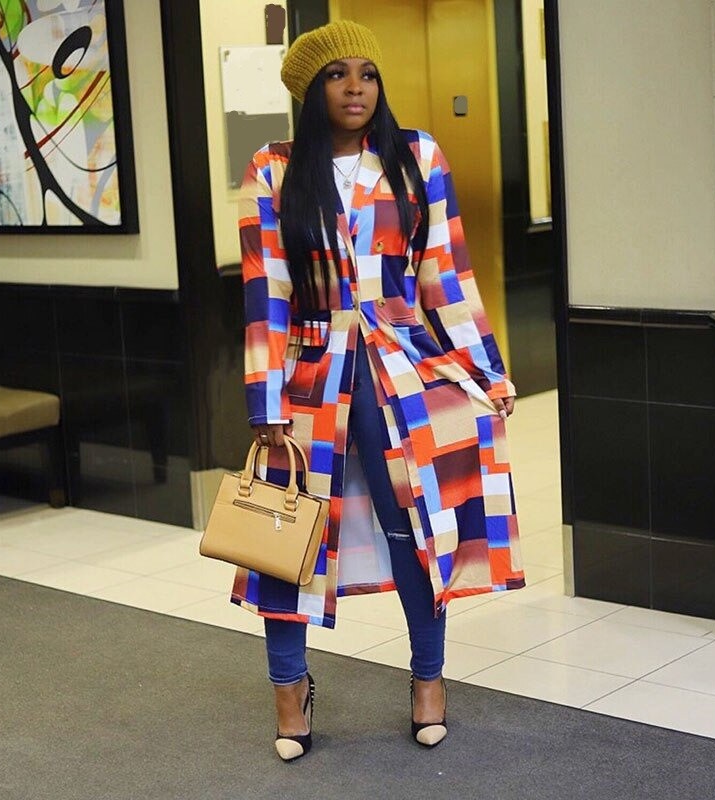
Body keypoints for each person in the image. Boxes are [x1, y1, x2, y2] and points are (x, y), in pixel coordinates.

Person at [232, 19, 525, 761]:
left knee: (416, 525)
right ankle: (289, 689)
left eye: (367, 73)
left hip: (403, 363)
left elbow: (446, 273)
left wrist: (485, 369)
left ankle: (429, 679)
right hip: (309, 371)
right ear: (310, 91)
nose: (355, 88)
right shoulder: (272, 169)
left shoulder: (416, 156)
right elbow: (266, 291)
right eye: (337, 75)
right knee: (284, 537)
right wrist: (266, 402)